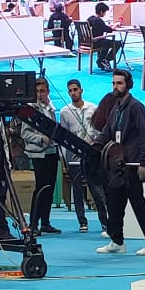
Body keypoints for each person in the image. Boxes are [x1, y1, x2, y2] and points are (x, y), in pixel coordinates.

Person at [94, 69, 145, 255]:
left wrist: (143, 163)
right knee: (114, 203)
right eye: (113, 83)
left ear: (128, 85)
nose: (115, 87)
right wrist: (94, 146)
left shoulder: (136, 106)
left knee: (138, 204)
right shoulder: (115, 108)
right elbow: (106, 132)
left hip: (132, 165)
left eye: (119, 83)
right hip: (118, 166)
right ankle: (117, 242)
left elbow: (144, 136)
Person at [59, 79, 107, 234]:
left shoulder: (93, 108)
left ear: (81, 90)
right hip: (74, 156)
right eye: (70, 91)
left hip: (92, 154)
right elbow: (64, 136)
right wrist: (64, 159)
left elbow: (100, 129)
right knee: (77, 190)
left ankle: (104, 221)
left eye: (75, 89)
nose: (73, 93)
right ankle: (82, 221)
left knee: (96, 189)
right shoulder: (64, 112)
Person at [20, 78, 62, 234]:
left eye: (42, 91)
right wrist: (41, 139)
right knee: (41, 188)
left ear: (48, 92)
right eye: (37, 91)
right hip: (38, 153)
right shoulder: (30, 109)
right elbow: (24, 133)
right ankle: (33, 224)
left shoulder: (51, 107)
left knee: (50, 188)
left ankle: (45, 222)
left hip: (52, 151)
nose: (39, 94)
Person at [87, 2, 123, 72]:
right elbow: (109, 30)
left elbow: (103, 27)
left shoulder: (90, 18)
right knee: (118, 43)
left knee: (106, 43)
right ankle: (106, 60)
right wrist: (116, 25)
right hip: (96, 42)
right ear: (101, 12)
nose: (105, 14)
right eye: (105, 12)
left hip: (89, 42)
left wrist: (110, 26)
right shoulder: (98, 20)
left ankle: (100, 60)